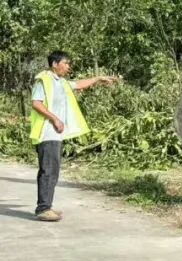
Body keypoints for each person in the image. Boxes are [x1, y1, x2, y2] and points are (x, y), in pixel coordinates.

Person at [29, 51, 120, 222]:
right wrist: (55, 119)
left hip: (55, 134)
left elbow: (78, 84)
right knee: (48, 170)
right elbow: (36, 103)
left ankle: (46, 206)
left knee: (53, 171)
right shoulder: (43, 80)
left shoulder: (61, 82)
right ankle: (43, 209)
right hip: (46, 132)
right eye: (65, 63)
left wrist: (98, 79)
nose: (68, 66)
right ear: (55, 64)